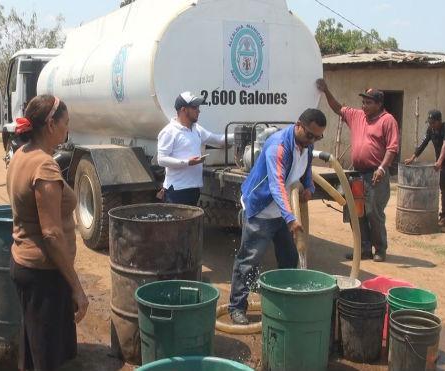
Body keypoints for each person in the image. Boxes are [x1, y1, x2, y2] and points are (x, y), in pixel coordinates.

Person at [6, 95, 88, 370]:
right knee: (47, 358)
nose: (68, 129)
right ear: (51, 124)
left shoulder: (21, 154)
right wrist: (76, 288)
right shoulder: (44, 166)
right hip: (45, 274)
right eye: (65, 123)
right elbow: (51, 234)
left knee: (34, 351)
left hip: (25, 264)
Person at [228, 109, 327, 325]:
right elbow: (276, 186)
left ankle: (286, 302)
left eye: (317, 137)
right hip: (261, 210)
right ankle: (237, 307)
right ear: (299, 125)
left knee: (289, 258)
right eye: (310, 135)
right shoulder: (278, 146)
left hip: (283, 212)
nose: (312, 141)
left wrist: (308, 186)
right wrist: (291, 218)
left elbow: (306, 169)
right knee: (250, 259)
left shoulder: (306, 146)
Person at [317, 79, 399, 262]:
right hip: (357, 174)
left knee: (373, 213)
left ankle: (379, 249)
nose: (364, 105)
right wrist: (326, 91)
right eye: (363, 102)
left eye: (369, 102)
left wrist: (382, 168)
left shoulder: (387, 120)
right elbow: (338, 108)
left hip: (375, 174)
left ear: (379, 104)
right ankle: (364, 249)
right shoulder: (357, 116)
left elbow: (392, 148)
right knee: (357, 212)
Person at [157, 91, 227, 206]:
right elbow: (161, 159)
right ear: (183, 110)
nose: (198, 111)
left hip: (193, 189)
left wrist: (241, 134)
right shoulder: (169, 132)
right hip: (177, 190)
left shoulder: (196, 129)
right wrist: (188, 162)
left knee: (190, 224)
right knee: (177, 223)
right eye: (194, 108)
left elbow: (218, 139)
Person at [404, 109, 445, 232]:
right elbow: (423, 143)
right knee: (443, 191)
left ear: (439, 121)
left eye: (433, 123)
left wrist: (439, 161)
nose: (431, 125)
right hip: (443, 166)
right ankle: (444, 216)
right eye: (429, 122)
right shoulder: (431, 130)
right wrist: (413, 157)